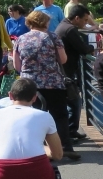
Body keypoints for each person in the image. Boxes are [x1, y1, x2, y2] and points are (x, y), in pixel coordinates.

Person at [14, 10, 80, 161]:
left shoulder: (21, 39)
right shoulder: (52, 37)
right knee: (59, 116)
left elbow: (18, 65)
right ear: (45, 22)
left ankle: (36, 148)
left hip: (29, 85)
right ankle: (64, 147)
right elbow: (62, 60)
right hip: (53, 83)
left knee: (33, 116)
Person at [56, 4, 94, 141]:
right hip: (66, 72)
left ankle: (70, 131)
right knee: (74, 102)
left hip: (63, 70)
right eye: (85, 20)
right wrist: (91, 47)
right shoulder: (70, 29)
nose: (85, 23)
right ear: (76, 18)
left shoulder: (63, 25)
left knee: (70, 103)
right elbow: (82, 48)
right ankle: (70, 132)